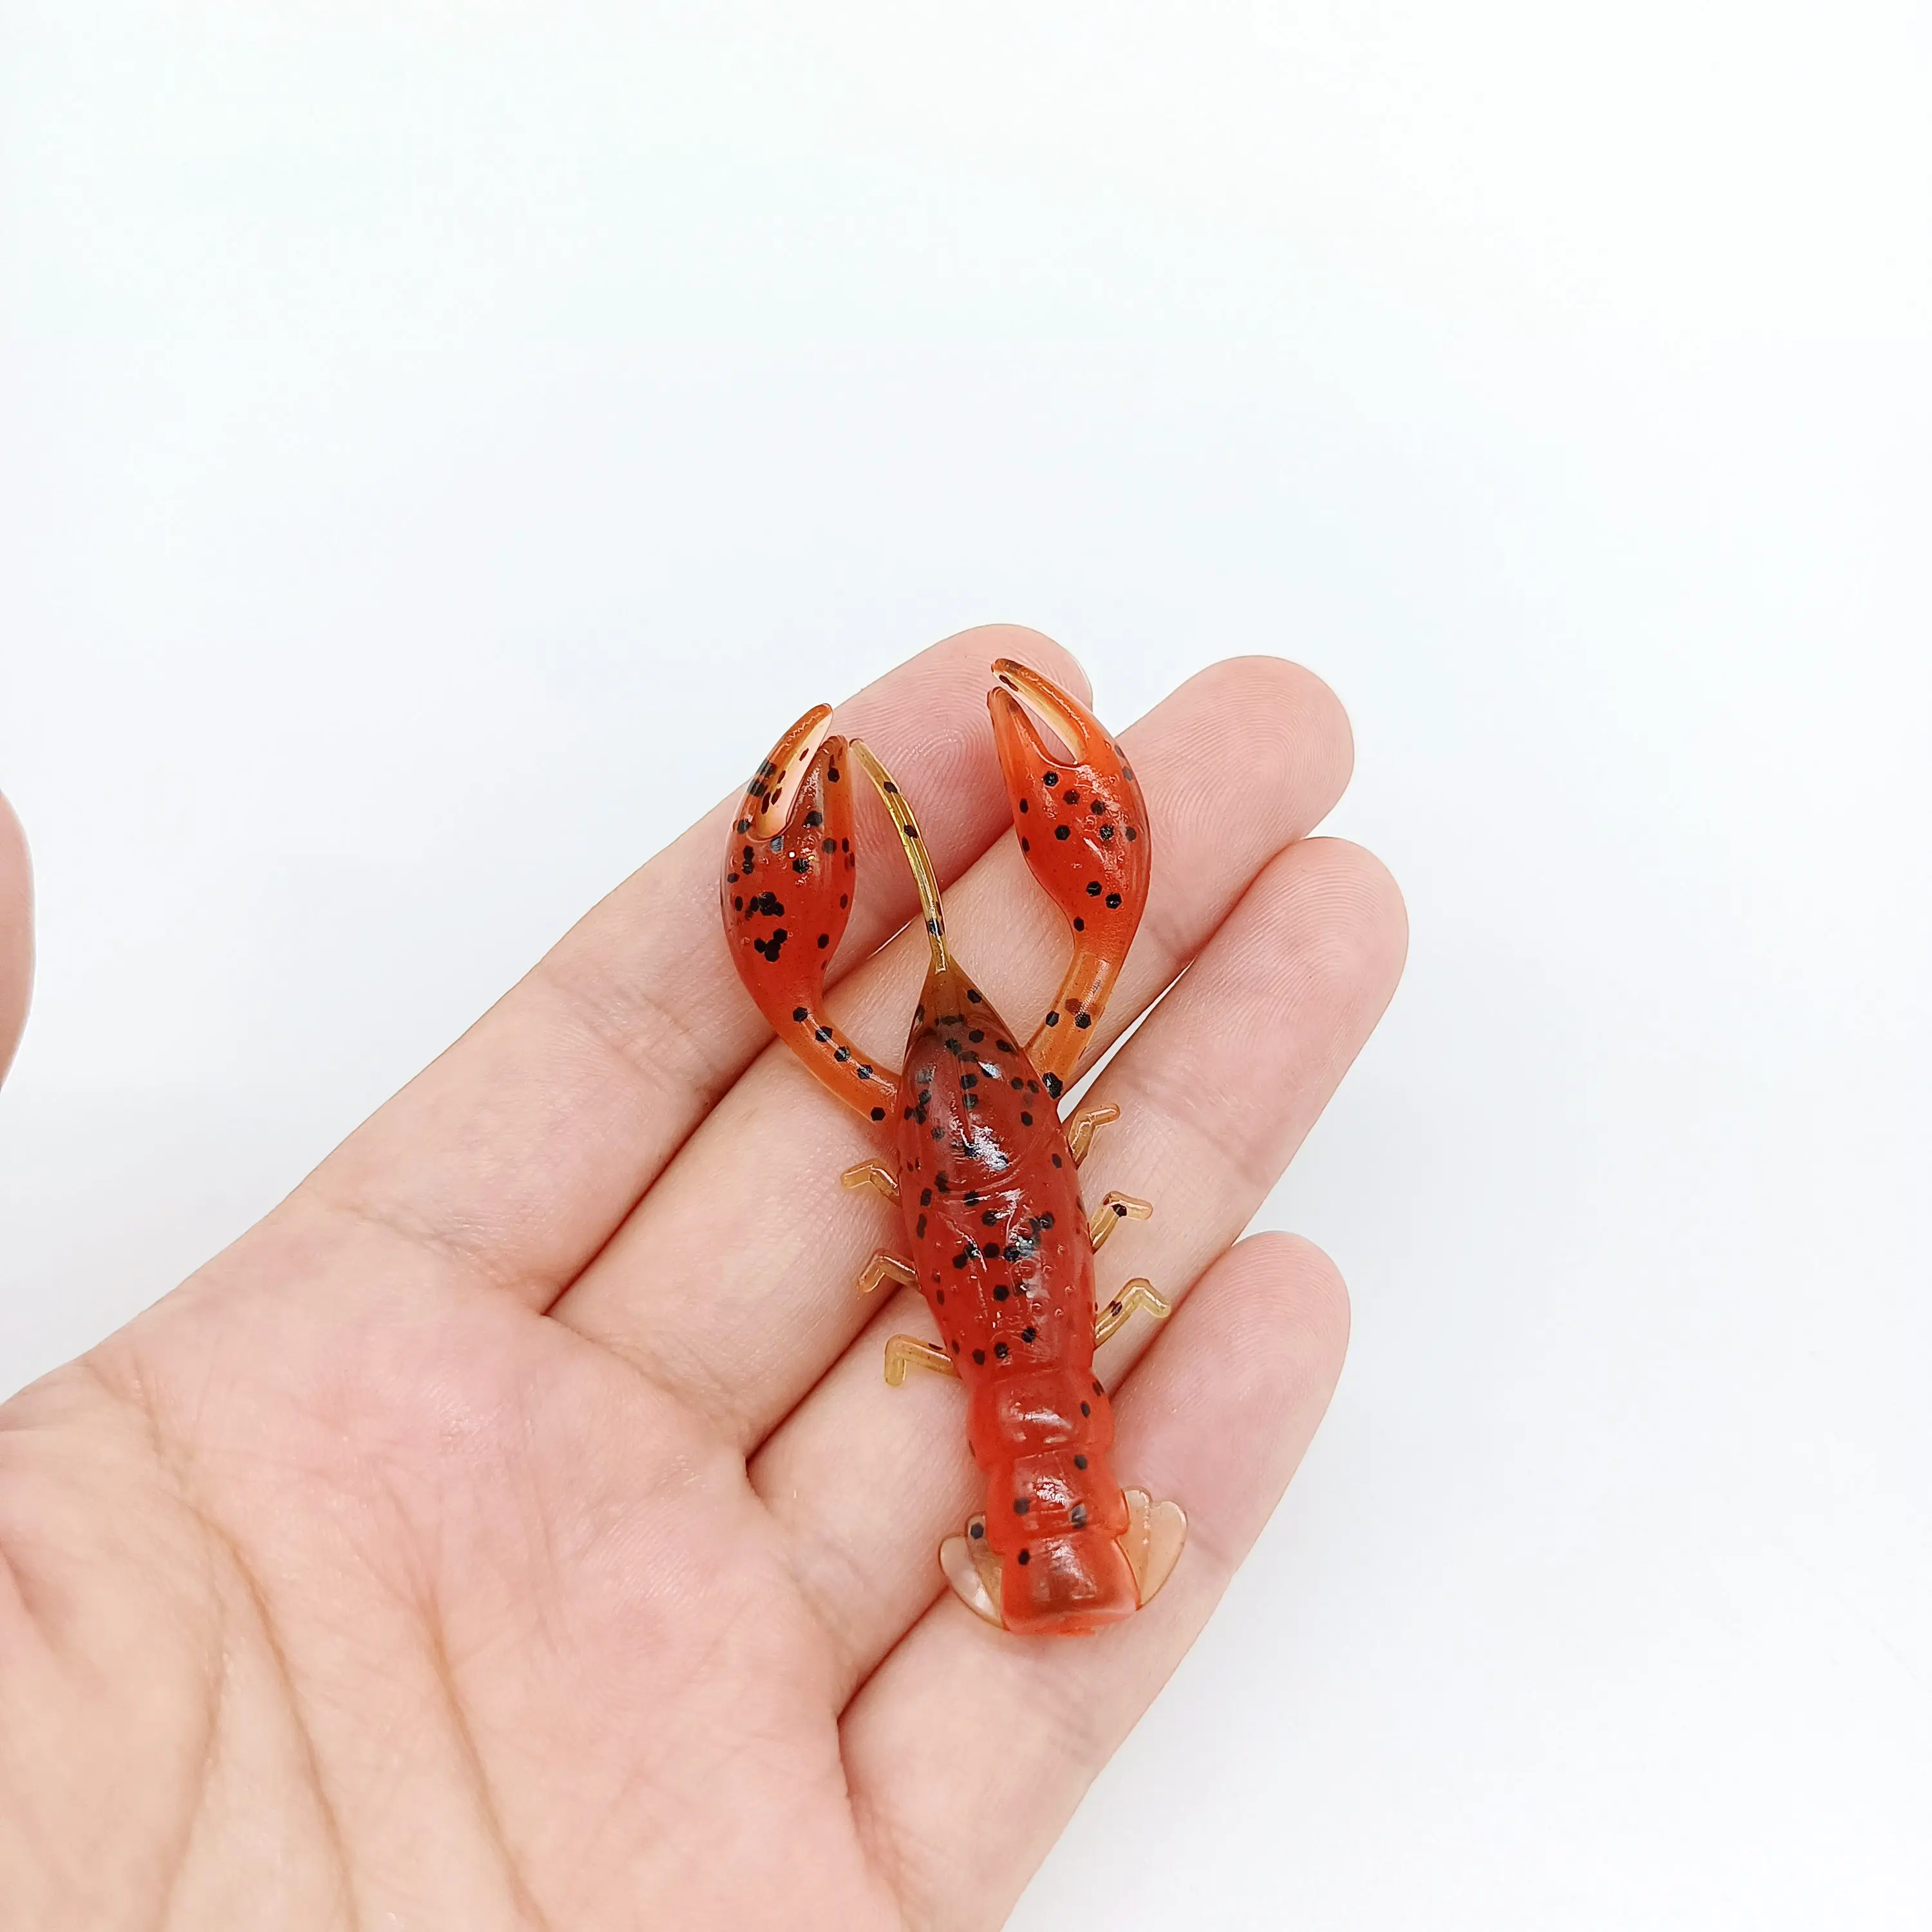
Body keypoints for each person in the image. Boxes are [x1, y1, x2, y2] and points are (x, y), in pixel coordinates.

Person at [0, 627, 1405, 1929]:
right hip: (1039, 1332)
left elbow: (814, 1033)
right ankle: (1065, 1554)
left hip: (1005, 1356)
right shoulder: (1033, 1080)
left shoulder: (890, 1105)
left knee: (811, 1021)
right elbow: (1093, 956)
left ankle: (1057, 1558)